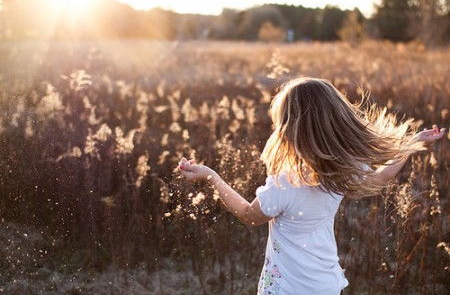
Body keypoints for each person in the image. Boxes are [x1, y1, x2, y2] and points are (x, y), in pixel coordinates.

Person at [178, 77, 446, 294]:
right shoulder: (342, 171)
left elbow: (249, 216)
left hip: (285, 290)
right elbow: (378, 177)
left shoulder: (285, 184)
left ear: (290, 129)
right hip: (326, 285)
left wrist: (210, 175)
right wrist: (411, 146)